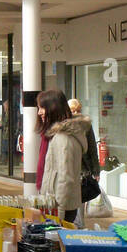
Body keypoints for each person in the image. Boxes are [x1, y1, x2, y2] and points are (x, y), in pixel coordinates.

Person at [37, 89, 90, 224]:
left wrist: (58, 215)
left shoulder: (63, 138)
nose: (39, 112)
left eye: (42, 108)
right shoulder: (59, 135)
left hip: (59, 208)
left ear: (53, 108)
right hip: (57, 205)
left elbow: (65, 178)